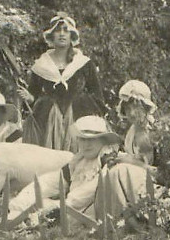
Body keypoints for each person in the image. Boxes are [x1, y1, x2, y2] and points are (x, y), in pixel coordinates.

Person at [8, 115, 121, 221]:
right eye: (82, 139)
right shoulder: (78, 161)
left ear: (103, 140)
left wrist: (62, 204)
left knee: (45, 208)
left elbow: (90, 191)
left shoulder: (108, 160)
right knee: (36, 202)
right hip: (72, 207)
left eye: (92, 140)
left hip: (93, 212)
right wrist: (21, 201)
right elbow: (51, 182)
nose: (86, 144)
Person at [21, 14, 106, 152]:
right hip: (47, 121)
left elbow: (98, 96)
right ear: (51, 36)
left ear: (72, 36)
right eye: (57, 31)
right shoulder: (41, 65)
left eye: (66, 31)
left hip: (79, 117)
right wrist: (30, 98)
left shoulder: (83, 63)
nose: (61, 34)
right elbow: (33, 96)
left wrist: (85, 108)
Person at [116, 79, 156, 166]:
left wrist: (125, 160)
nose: (132, 113)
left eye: (136, 107)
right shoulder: (132, 130)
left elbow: (148, 165)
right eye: (128, 109)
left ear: (146, 107)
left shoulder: (149, 130)